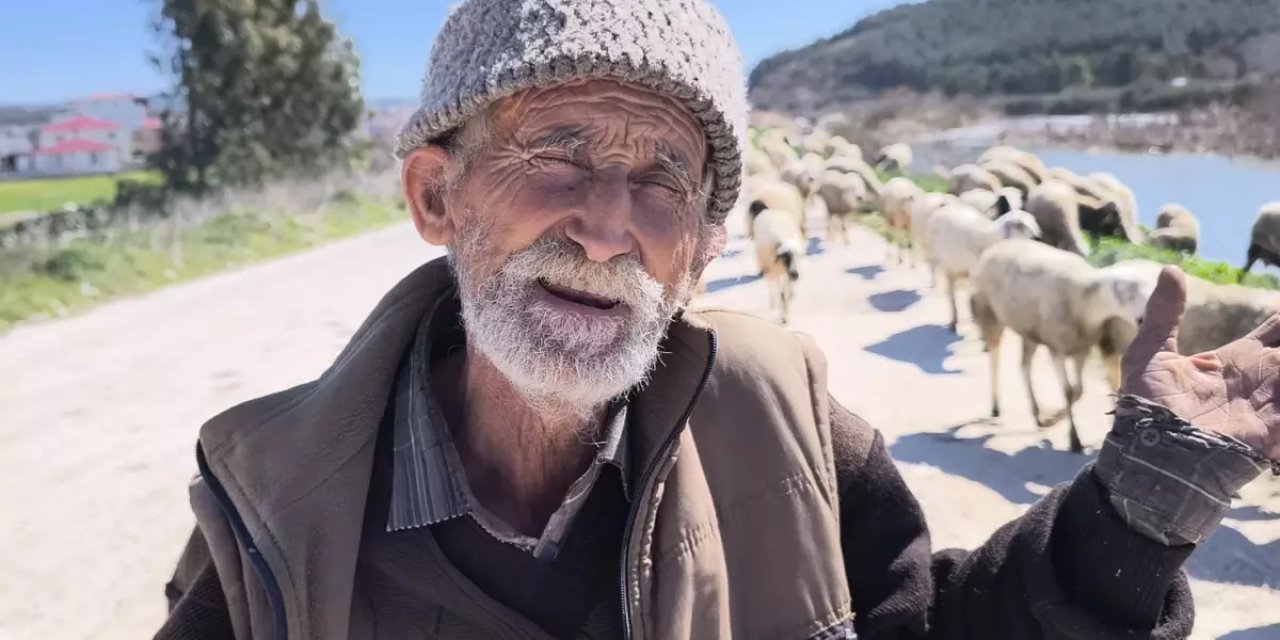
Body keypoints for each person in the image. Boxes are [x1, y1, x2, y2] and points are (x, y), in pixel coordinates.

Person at [155, 1, 1280, 638]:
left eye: (662, 178)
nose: (606, 228)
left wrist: (1130, 515)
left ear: (702, 245)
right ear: (435, 198)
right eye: (559, 151)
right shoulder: (272, 513)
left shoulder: (786, 430)